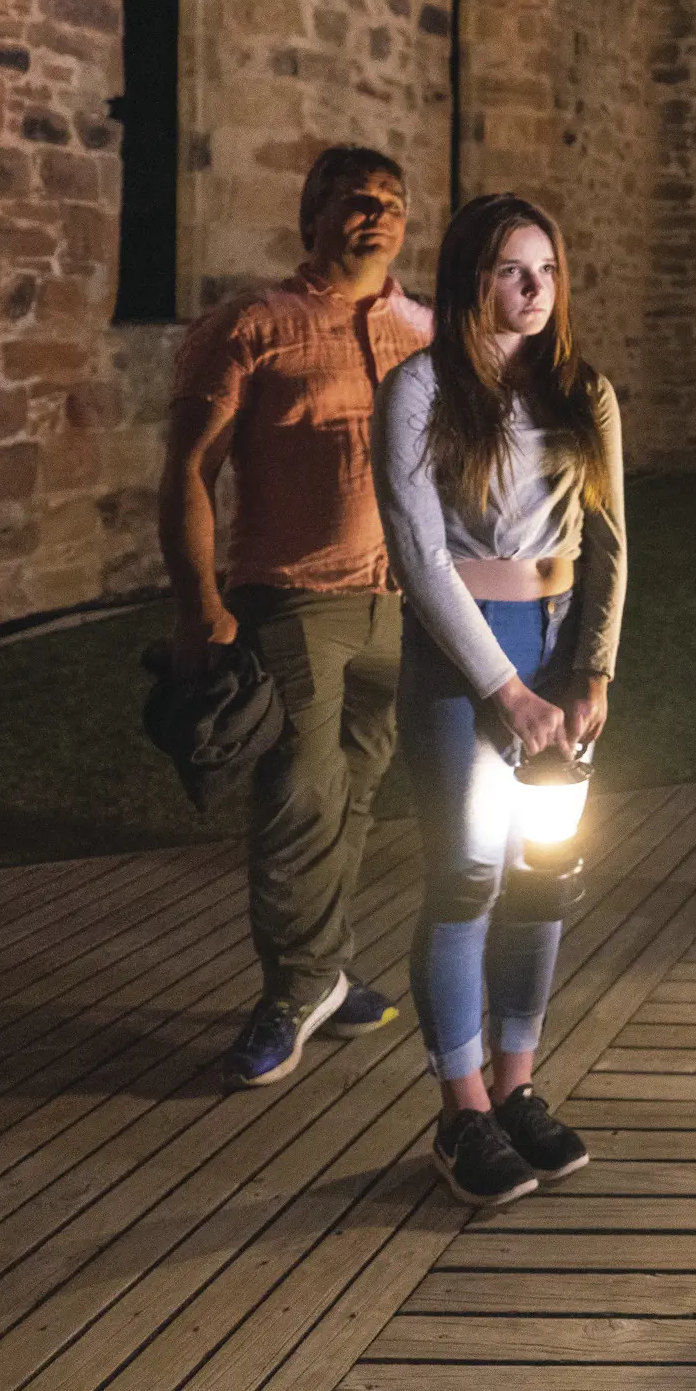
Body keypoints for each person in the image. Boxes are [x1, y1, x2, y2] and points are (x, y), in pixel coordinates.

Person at [373, 192, 626, 1208]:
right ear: (471, 275)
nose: (533, 291)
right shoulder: (421, 389)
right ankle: (463, 1108)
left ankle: (520, 1087)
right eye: (512, 271)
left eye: (547, 273)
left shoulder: (583, 391)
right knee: (469, 872)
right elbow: (419, 554)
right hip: (462, 659)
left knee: (542, 874)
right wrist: (503, 689)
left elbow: (610, 543)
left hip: (560, 652)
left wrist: (594, 671)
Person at [163, 145, 431, 1088]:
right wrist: (200, 605)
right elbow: (189, 473)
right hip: (292, 603)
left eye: (393, 202)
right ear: (311, 217)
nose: (378, 215)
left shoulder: (425, 332)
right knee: (295, 800)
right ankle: (292, 988)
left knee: (355, 793)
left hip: (404, 608)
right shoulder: (253, 324)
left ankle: (326, 968)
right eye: (357, 200)